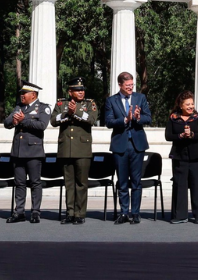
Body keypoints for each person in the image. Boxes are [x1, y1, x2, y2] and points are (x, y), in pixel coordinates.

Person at [103, 71, 151, 225]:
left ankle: (135, 213)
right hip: (120, 145)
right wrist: (125, 119)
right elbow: (108, 122)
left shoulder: (140, 98)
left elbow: (148, 118)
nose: (130, 88)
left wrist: (137, 117)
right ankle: (124, 212)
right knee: (122, 181)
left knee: (136, 181)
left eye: (132, 85)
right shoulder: (111, 100)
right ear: (120, 85)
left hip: (137, 145)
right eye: (127, 85)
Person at [3, 80, 51, 224]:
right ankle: (19, 212)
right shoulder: (19, 107)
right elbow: (6, 123)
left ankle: (35, 212)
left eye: (25, 93)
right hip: (18, 151)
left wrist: (23, 121)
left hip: (33, 151)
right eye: (21, 93)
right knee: (20, 183)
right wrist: (14, 122)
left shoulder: (43, 108)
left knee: (35, 183)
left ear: (33, 94)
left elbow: (42, 125)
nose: (22, 96)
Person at [51, 77, 97, 225]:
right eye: (77, 90)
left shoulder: (90, 104)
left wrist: (75, 111)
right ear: (70, 92)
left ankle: (80, 213)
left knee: (81, 183)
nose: (81, 92)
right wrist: (67, 114)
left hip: (82, 149)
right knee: (69, 183)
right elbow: (53, 121)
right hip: (66, 149)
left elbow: (91, 119)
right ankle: (70, 212)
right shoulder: (61, 103)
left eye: (82, 90)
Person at [165, 90, 198, 224]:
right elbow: (168, 136)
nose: (190, 106)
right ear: (181, 105)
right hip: (179, 157)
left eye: (192, 104)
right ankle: (180, 215)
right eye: (187, 104)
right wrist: (181, 136)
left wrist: (192, 135)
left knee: (197, 185)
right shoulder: (173, 118)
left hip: (197, 157)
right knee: (179, 185)